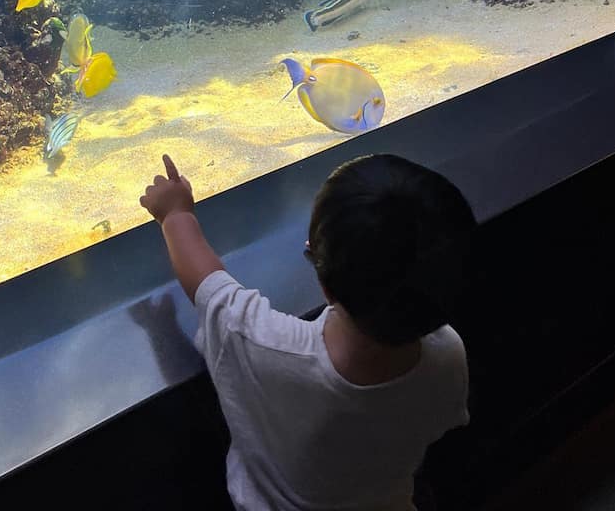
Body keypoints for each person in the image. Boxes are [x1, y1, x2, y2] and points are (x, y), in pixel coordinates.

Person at [139, 152, 476, 511]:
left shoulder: (264, 346)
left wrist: (175, 215)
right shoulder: (450, 357)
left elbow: (209, 286)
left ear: (323, 278)